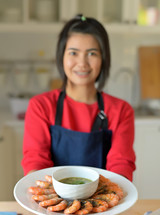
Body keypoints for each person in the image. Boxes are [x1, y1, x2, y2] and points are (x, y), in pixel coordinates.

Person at [22, 14, 136, 181]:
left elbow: (121, 165)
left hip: (103, 203)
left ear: (103, 59)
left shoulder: (121, 111)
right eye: (73, 53)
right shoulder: (41, 106)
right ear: (62, 57)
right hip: (51, 202)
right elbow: (36, 161)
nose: (82, 63)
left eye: (92, 53)